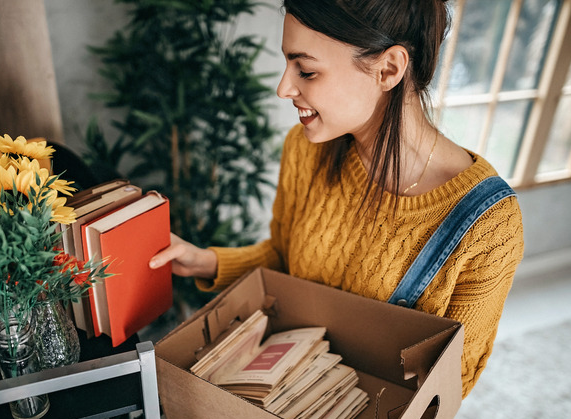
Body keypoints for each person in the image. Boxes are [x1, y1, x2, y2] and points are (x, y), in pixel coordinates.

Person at [149, 0, 524, 398]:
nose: (283, 88)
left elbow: (451, 384)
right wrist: (206, 260)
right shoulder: (306, 148)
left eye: (306, 70)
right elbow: (284, 259)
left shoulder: (489, 226)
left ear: (388, 69)